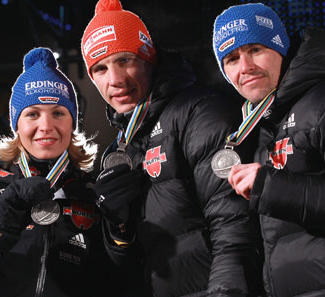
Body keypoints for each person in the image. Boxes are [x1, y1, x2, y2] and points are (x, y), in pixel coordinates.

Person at [80, 0, 262, 296]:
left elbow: (233, 223)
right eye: (100, 68)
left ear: (149, 59)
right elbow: (128, 270)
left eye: (125, 60)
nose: (115, 80)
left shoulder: (200, 112)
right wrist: (117, 230)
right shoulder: (119, 149)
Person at [0, 47, 121, 297]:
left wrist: (123, 228)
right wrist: (0, 226)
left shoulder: (93, 193)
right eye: (32, 114)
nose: (46, 126)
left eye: (58, 113)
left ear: (72, 123)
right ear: (16, 124)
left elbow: (113, 282)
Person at [212, 3, 325, 296]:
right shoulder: (257, 126)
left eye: (255, 50)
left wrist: (270, 187)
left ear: (281, 49)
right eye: (231, 59)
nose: (245, 68)